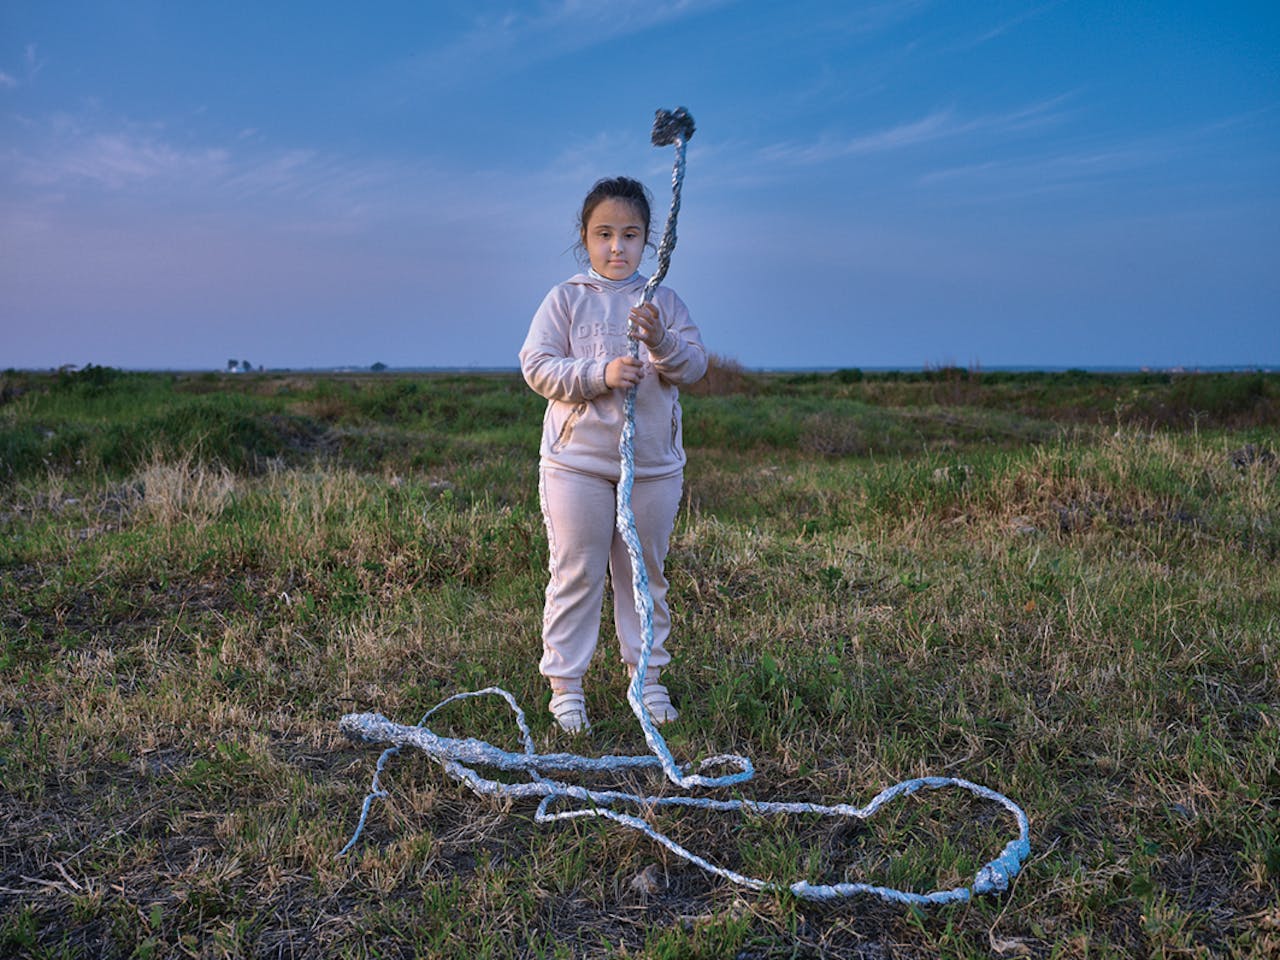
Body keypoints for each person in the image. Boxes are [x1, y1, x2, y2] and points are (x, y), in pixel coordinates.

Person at [519, 176, 707, 733]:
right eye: (604, 234)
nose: (617, 247)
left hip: (651, 469)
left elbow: (694, 366)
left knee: (643, 575)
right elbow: (537, 366)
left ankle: (646, 680)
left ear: (649, 240)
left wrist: (661, 342)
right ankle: (566, 688)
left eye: (630, 235)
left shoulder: (663, 300)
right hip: (576, 464)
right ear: (586, 238)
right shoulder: (565, 299)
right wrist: (599, 375)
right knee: (576, 571)